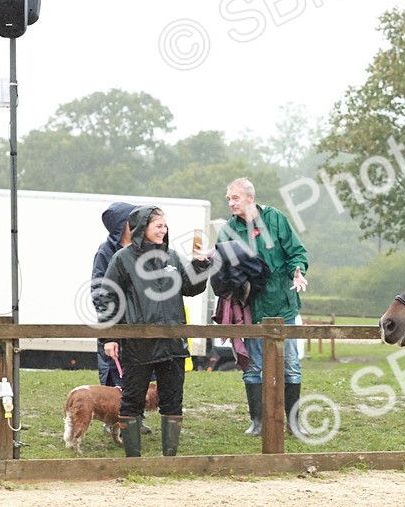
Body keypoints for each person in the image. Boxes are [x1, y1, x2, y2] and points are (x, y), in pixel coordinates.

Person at [100, 205, 210, 457]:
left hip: (172, 344)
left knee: (173, 401)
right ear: (143, 228)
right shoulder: (122, 259)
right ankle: (133, 461)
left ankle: (169, 460)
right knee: (132, 401)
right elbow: (107, 298)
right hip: (138, 344)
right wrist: (109, 336)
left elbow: (191, 288)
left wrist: (201, 265)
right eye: (158, 226)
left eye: (165, 226)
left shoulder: (172, 257)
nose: (164, 230)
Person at [217, 178, 309, 437]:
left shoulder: (276, 219)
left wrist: (297, 272)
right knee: (254, 367)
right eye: (228, 199)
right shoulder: (228, 229)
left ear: (250, 198)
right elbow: (221, 264)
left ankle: (293, 422)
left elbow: (296, 252)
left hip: (282, 306)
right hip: (250, 309)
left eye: (235, 198)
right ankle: (257, 422)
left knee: (290, 364)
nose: (231, 203)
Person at [90, 201, 156, 436]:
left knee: (140, 372)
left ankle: (135, 415)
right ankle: (113, 420)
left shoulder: (145, 248)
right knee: (114, 372)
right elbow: (100, 293)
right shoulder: (105, 252)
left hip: (140, 326)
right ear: (123, 225)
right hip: (116, 325)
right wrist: (109, 335)